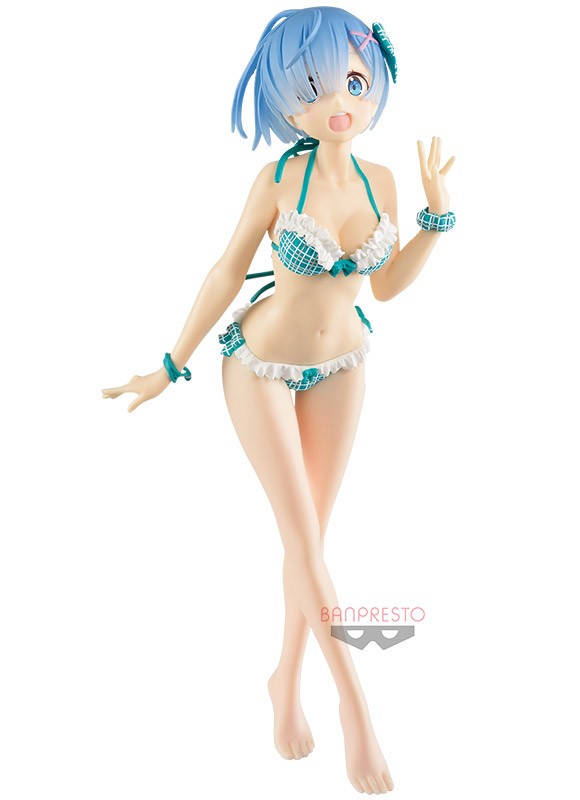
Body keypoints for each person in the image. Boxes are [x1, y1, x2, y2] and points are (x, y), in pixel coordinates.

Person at [101, 7, 455, 794]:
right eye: (312, 87)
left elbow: (385, 288)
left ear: (376, 82)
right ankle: (356, 708)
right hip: (258, 368)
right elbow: (227, 271)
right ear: (283, 99)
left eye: (355, 83)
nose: (339, 102)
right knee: (304, 541)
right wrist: (168, 365)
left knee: (309, 546)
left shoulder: (383, 181)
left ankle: (284, 680)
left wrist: (435, 221)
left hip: (344, 367)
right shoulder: (277, 180)